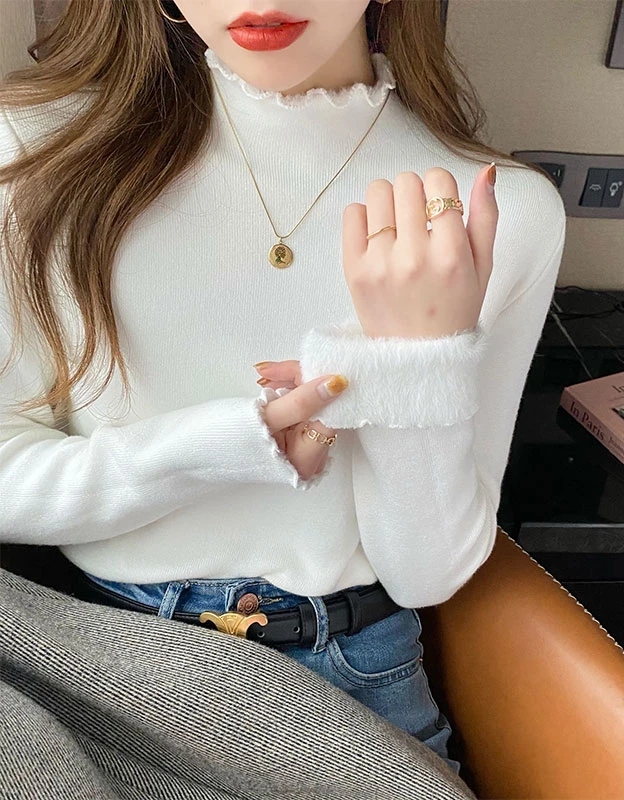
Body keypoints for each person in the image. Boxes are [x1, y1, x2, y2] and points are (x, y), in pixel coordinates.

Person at [0, 0, 565, 776]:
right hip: (95, 664)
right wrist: (225, 447)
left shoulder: (496, 210)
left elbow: (429, 571)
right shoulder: (36, 154)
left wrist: (410, 369)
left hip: (354, 680)